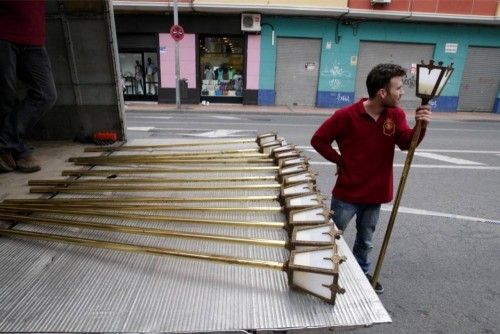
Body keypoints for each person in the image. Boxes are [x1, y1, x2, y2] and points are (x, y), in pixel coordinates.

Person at [310, 63, 432, 294]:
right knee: (333, 236)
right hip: (347, 193)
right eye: (398, 88)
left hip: (375, 194)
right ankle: (323, 272)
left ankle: (361, 272)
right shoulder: (346, 115)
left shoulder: (395, 115)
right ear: (382, 93)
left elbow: (408, 143)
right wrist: (340, 160)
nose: (402, 92)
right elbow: (319, 140)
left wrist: (421, 124)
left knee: (365, 240)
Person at [0, 0, 57, 173]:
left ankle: (5, 141)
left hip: (33, 35)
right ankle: (15, 150)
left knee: (46, 94)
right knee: (5, 96)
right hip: (3, 31)